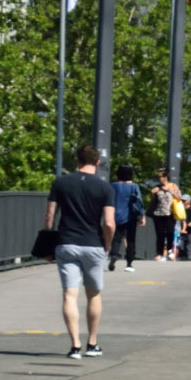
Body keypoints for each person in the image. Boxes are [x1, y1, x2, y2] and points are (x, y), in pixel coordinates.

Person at [44, 143, 116, 359]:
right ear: (97, 162)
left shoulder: (61, 183)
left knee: (69, 294)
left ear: (77, 160)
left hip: (66, 243)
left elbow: (49, 217)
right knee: (93, 294)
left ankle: (75, 346)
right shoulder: (105, 188)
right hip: (93, 245)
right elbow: (110, 223)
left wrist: (48, 242)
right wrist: (108, 246)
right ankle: (92, 343)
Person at [107, 165, 143, 272]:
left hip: (116, 215)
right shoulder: (134, 186)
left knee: (116, 239)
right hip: (131, 216)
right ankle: (129, 263)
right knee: (131, 239)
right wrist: (141, 215)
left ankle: (114, 254)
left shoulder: (113, 185)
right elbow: (139, 202)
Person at [150, 174, 179, 262]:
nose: (159, 179)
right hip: (158, 213)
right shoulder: (157, 188)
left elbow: (179, 198)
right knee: (160, 234)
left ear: (166, 177)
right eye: (158, 177)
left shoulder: (174, 186)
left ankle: (170, 251)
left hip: (170, 213)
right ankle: (159, 253)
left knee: (170, 232)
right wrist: (152, 193)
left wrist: (172, 192)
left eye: (161, 177)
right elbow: (153, 200)